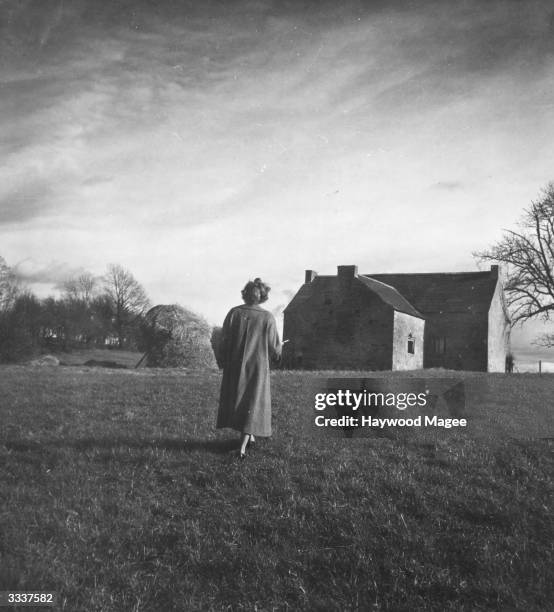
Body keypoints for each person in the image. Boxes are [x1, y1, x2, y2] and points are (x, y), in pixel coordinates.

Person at [216, 278, 282, 458]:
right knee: (252, 400)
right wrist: (278, 351)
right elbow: (274, 347)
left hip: (234, 365)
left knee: (238, 399)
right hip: (257, 367)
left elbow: (223, 341)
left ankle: (248, 439)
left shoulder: (234, 313)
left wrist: (223, 359)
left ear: (245, 294)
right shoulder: (267, 317)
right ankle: (242, 448)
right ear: (263, 296)